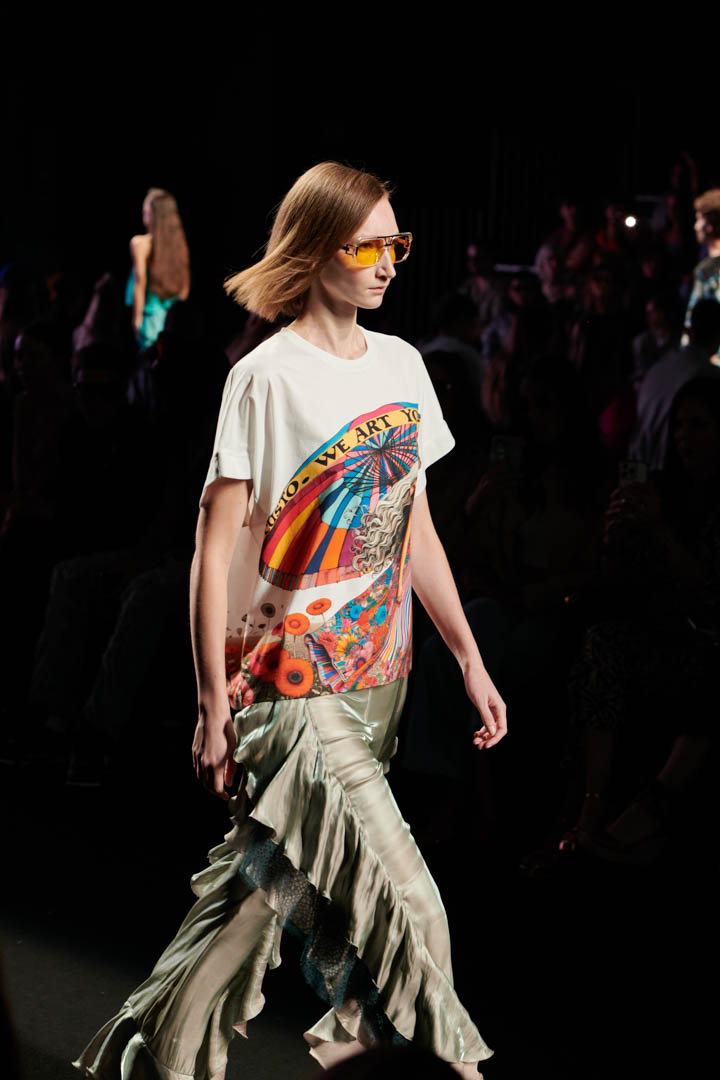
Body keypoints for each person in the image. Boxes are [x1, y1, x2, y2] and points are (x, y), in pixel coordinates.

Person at [72, 162, 507, 1079]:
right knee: (412, 913)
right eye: (366, 245)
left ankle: (153, 1062)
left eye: (396, 243)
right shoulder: (263, 377)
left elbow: (414, 525)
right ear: (314, 250)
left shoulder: (404, 365)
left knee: (256, 903)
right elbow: (212, 546)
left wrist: (467, 655)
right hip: (292, 684)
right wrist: (210, 703)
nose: (387, 263)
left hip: (383, 679)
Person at [124, 187, 191, 352]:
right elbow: (184, 292)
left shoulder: (140, 243)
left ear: (154, 214)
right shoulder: (179, 246)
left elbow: (140, 283)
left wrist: (136, 321)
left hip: (150, 321)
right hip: (173, 322)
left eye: (146, 209)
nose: (143, 212)